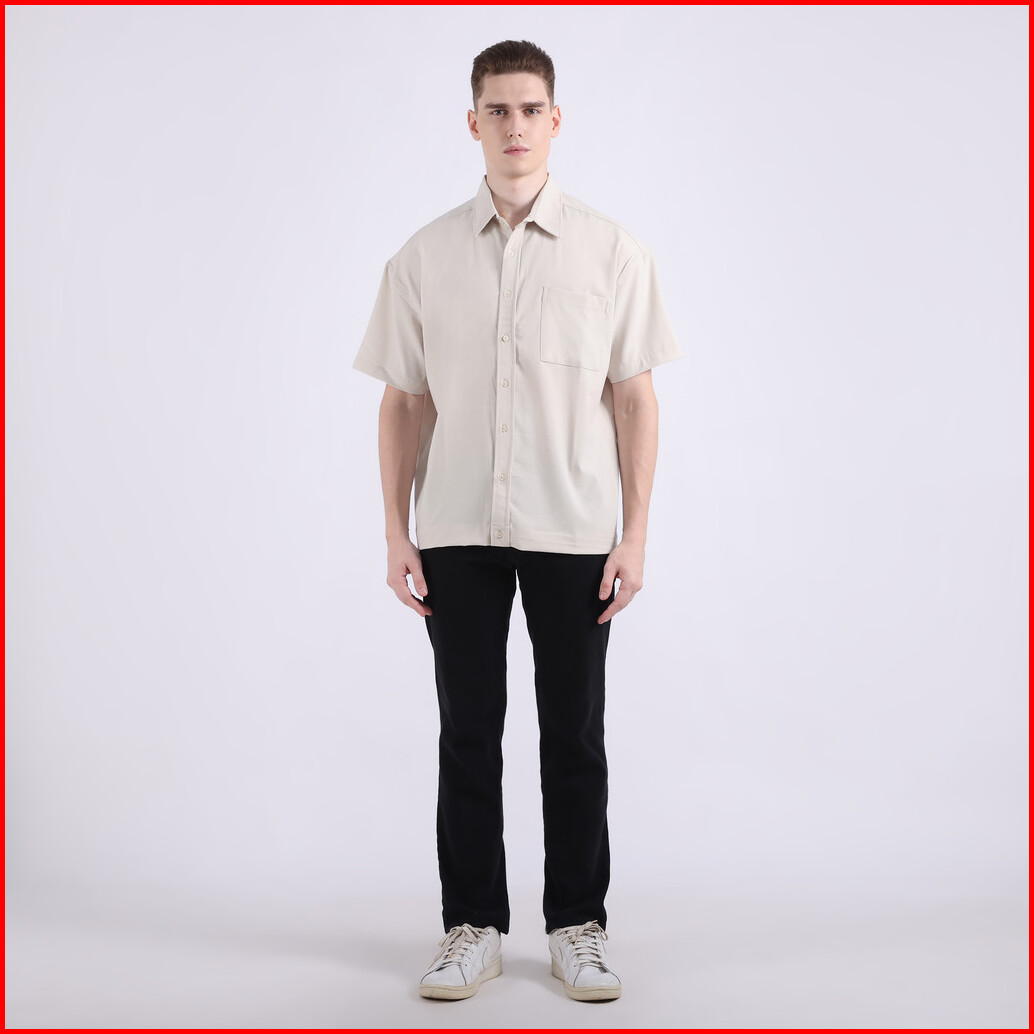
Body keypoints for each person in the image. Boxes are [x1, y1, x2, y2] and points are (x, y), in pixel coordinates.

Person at [352, 39, 681, 1002]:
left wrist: (635, 534)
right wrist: (395, 531)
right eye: (497, 110)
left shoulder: (612, 252)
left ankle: (577, 924)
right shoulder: (422, 258)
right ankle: (473, 926)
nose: (515, 127)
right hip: (456, 528)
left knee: (573, 735)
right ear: (472, 122)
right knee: (468, 733)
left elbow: (636, 399)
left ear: (556, 119)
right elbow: (402, 403)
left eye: (531, 109)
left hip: (573, 529)